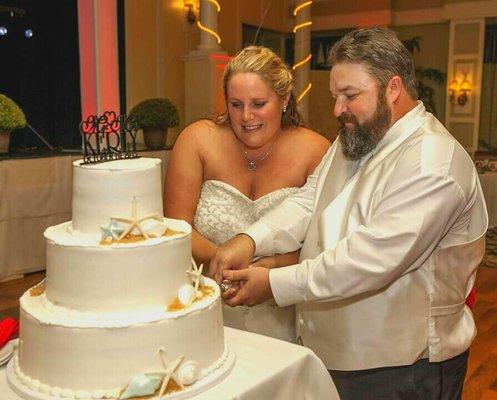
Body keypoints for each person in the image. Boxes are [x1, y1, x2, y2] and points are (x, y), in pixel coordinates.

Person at [210, 27, 488, 399]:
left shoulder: (432, 164)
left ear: (392, 88)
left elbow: (369, 260)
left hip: (402, 369)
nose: (337, 109)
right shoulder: (356, 136)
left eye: (350, 95)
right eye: (335, 95)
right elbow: (310, 200)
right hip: (333, 353)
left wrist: (273, 285)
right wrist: (251, 238)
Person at [164, 46, 330, 342]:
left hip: (282, 311)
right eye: (236, 104)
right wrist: (227, 262)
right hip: (207, 303)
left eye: (258, 103)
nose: (246, 116)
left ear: (284, 100)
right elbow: (176, 227)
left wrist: (268, 273)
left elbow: (324, 241)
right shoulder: (198, 140)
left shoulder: (315, 150)